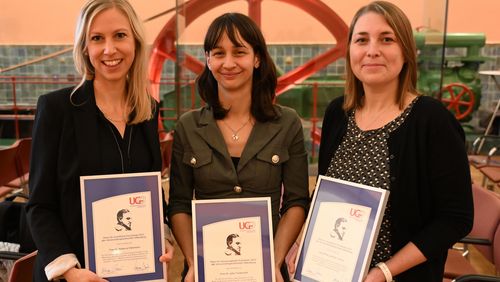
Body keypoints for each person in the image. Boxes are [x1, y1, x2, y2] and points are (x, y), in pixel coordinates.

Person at [317, 1, 473, 281]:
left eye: (386, 39)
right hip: (332, 272)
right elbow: (325, 197)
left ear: (406, 52)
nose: (372, 50)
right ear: (350, 50)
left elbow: (455, 219)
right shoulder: (337, 113)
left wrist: (384, 272)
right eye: (361, 40)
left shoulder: (432, 121)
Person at [25, 1, 174, 281]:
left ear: (135, 42)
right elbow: (39, 206)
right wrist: (69, 271)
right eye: (97, 38)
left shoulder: (148, 111)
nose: (109, 49)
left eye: (120, 35)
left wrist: (161, 237)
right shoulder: (57, 109)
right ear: (85, 47)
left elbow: (151, 192)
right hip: (73, 274)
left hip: (133, 272)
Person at [168, 12, 309, 282]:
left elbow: (296, 201)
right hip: (205, 269)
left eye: (239, 52)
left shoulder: (287, 123)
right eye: (218, 53)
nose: (229, 63)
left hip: (268, 271)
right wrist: (193, 261)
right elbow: (179, 204)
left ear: (257, 58)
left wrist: (275, 261)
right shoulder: (188, 126)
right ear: (208, 60)